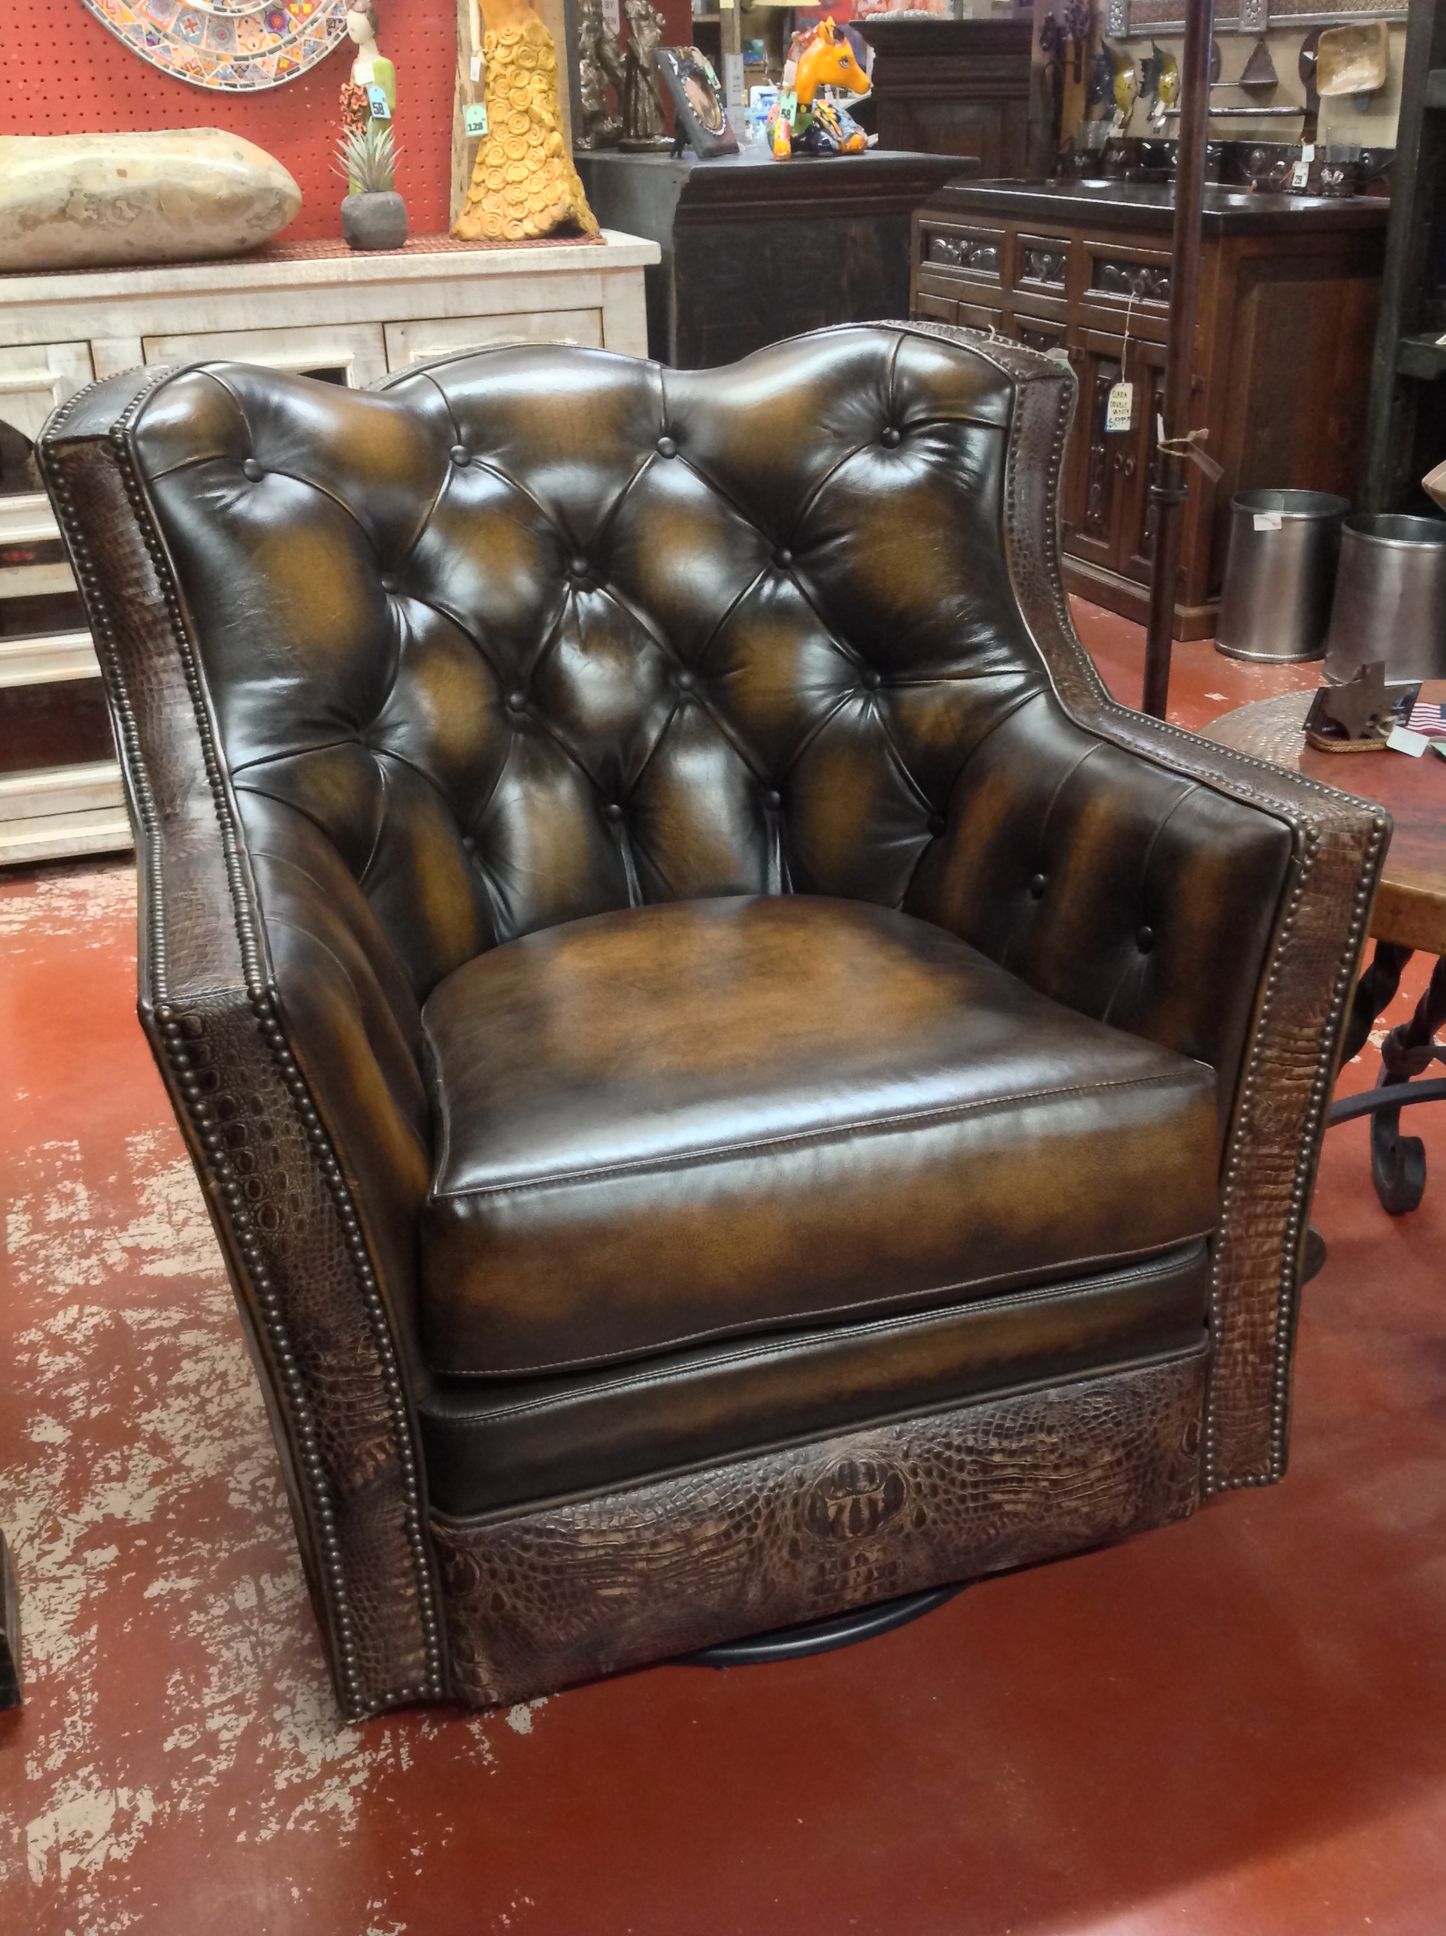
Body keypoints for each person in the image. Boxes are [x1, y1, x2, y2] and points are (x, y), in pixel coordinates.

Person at [452, 0, 598, 241]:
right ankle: (513, 205)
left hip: (530, 43)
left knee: (540, 122)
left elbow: (537, 8)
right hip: (499, 48)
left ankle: (551, 198)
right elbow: (473, 9)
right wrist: (476, 47)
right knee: (503, 126)